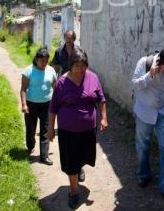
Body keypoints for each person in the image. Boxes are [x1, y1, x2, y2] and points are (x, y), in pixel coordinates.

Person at [47, 47, 108, 209]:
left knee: (82, 156)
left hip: (88, 130)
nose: (81, 70)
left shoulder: (93, 77)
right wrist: (51, 129)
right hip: (68, 131)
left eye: (84, 65)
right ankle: (74, 192)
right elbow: (53, 108)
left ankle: (78, 168)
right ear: (70, 65)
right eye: (77, 66)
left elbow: (101, 99)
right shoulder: (62, 82)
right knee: (71, 160)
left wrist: (104, 118)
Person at [132, 47, 164, 203]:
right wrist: (150, 75)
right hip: (144, 112)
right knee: (142, 144)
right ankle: (143, 175)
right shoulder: (144, 63)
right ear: (160, 62)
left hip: (163, 113)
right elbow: (135, 84)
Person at [20, 47, 57, 165]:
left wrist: (57, 103)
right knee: (31, 128)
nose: (44, 63)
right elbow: (23, 89)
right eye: (42, 61)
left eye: (46, 60)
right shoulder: (28, 71)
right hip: (31, 105)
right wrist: (24, 104)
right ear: (36, 59)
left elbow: (55, 87)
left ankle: (44, 156)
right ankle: (30, 146)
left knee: (46, 129)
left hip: (47, 105)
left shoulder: (51, 70)